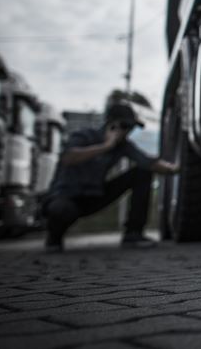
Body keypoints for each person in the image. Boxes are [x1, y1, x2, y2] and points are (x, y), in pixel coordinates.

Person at [42, 101, 178, 251]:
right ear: (112, 125)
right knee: (60, 209)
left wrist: (176, 169)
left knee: (142, 173)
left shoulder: (123, 145)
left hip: (94, 196)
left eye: (131, 128)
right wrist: (106, 146)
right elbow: (69, 158)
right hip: (67, 197)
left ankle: (133, 233)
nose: (128, 132)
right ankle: (54, 238)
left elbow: (148, 163)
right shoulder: (84, 136)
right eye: (126, 127)